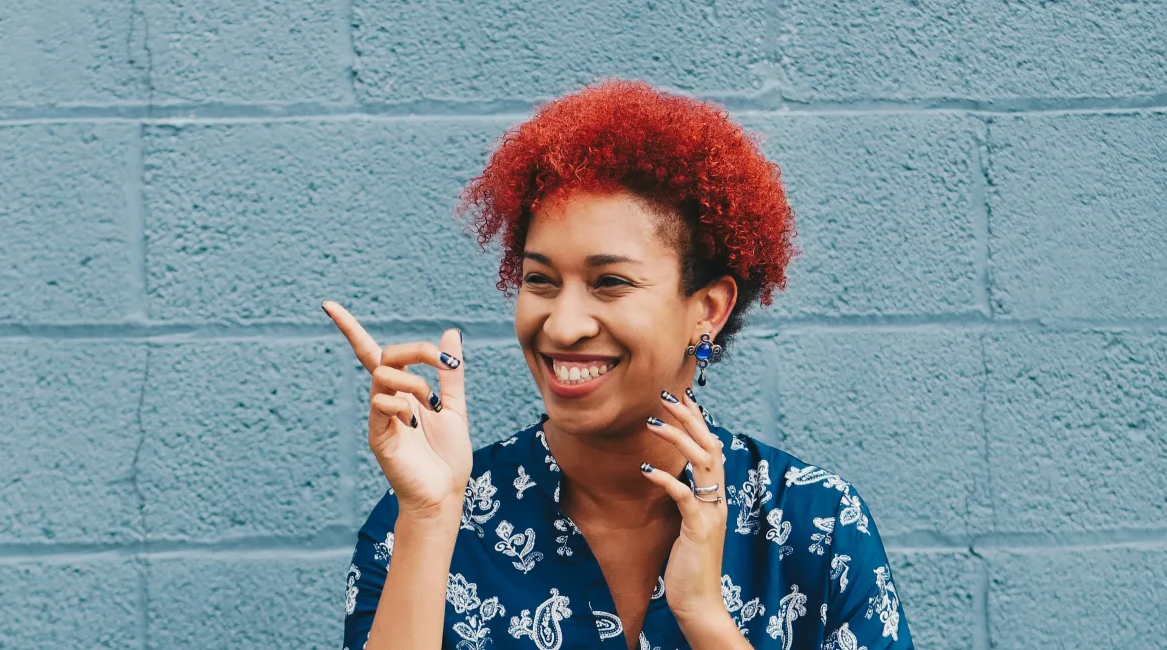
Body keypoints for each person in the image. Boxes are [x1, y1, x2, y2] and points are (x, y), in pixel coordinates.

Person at [323, 79, 911, 650]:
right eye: (540, 281)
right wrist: (428, 518)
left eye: (610, 283)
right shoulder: (424, 517)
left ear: (707, 309)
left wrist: (705, 617)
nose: (562, 325)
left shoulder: (816, 526)